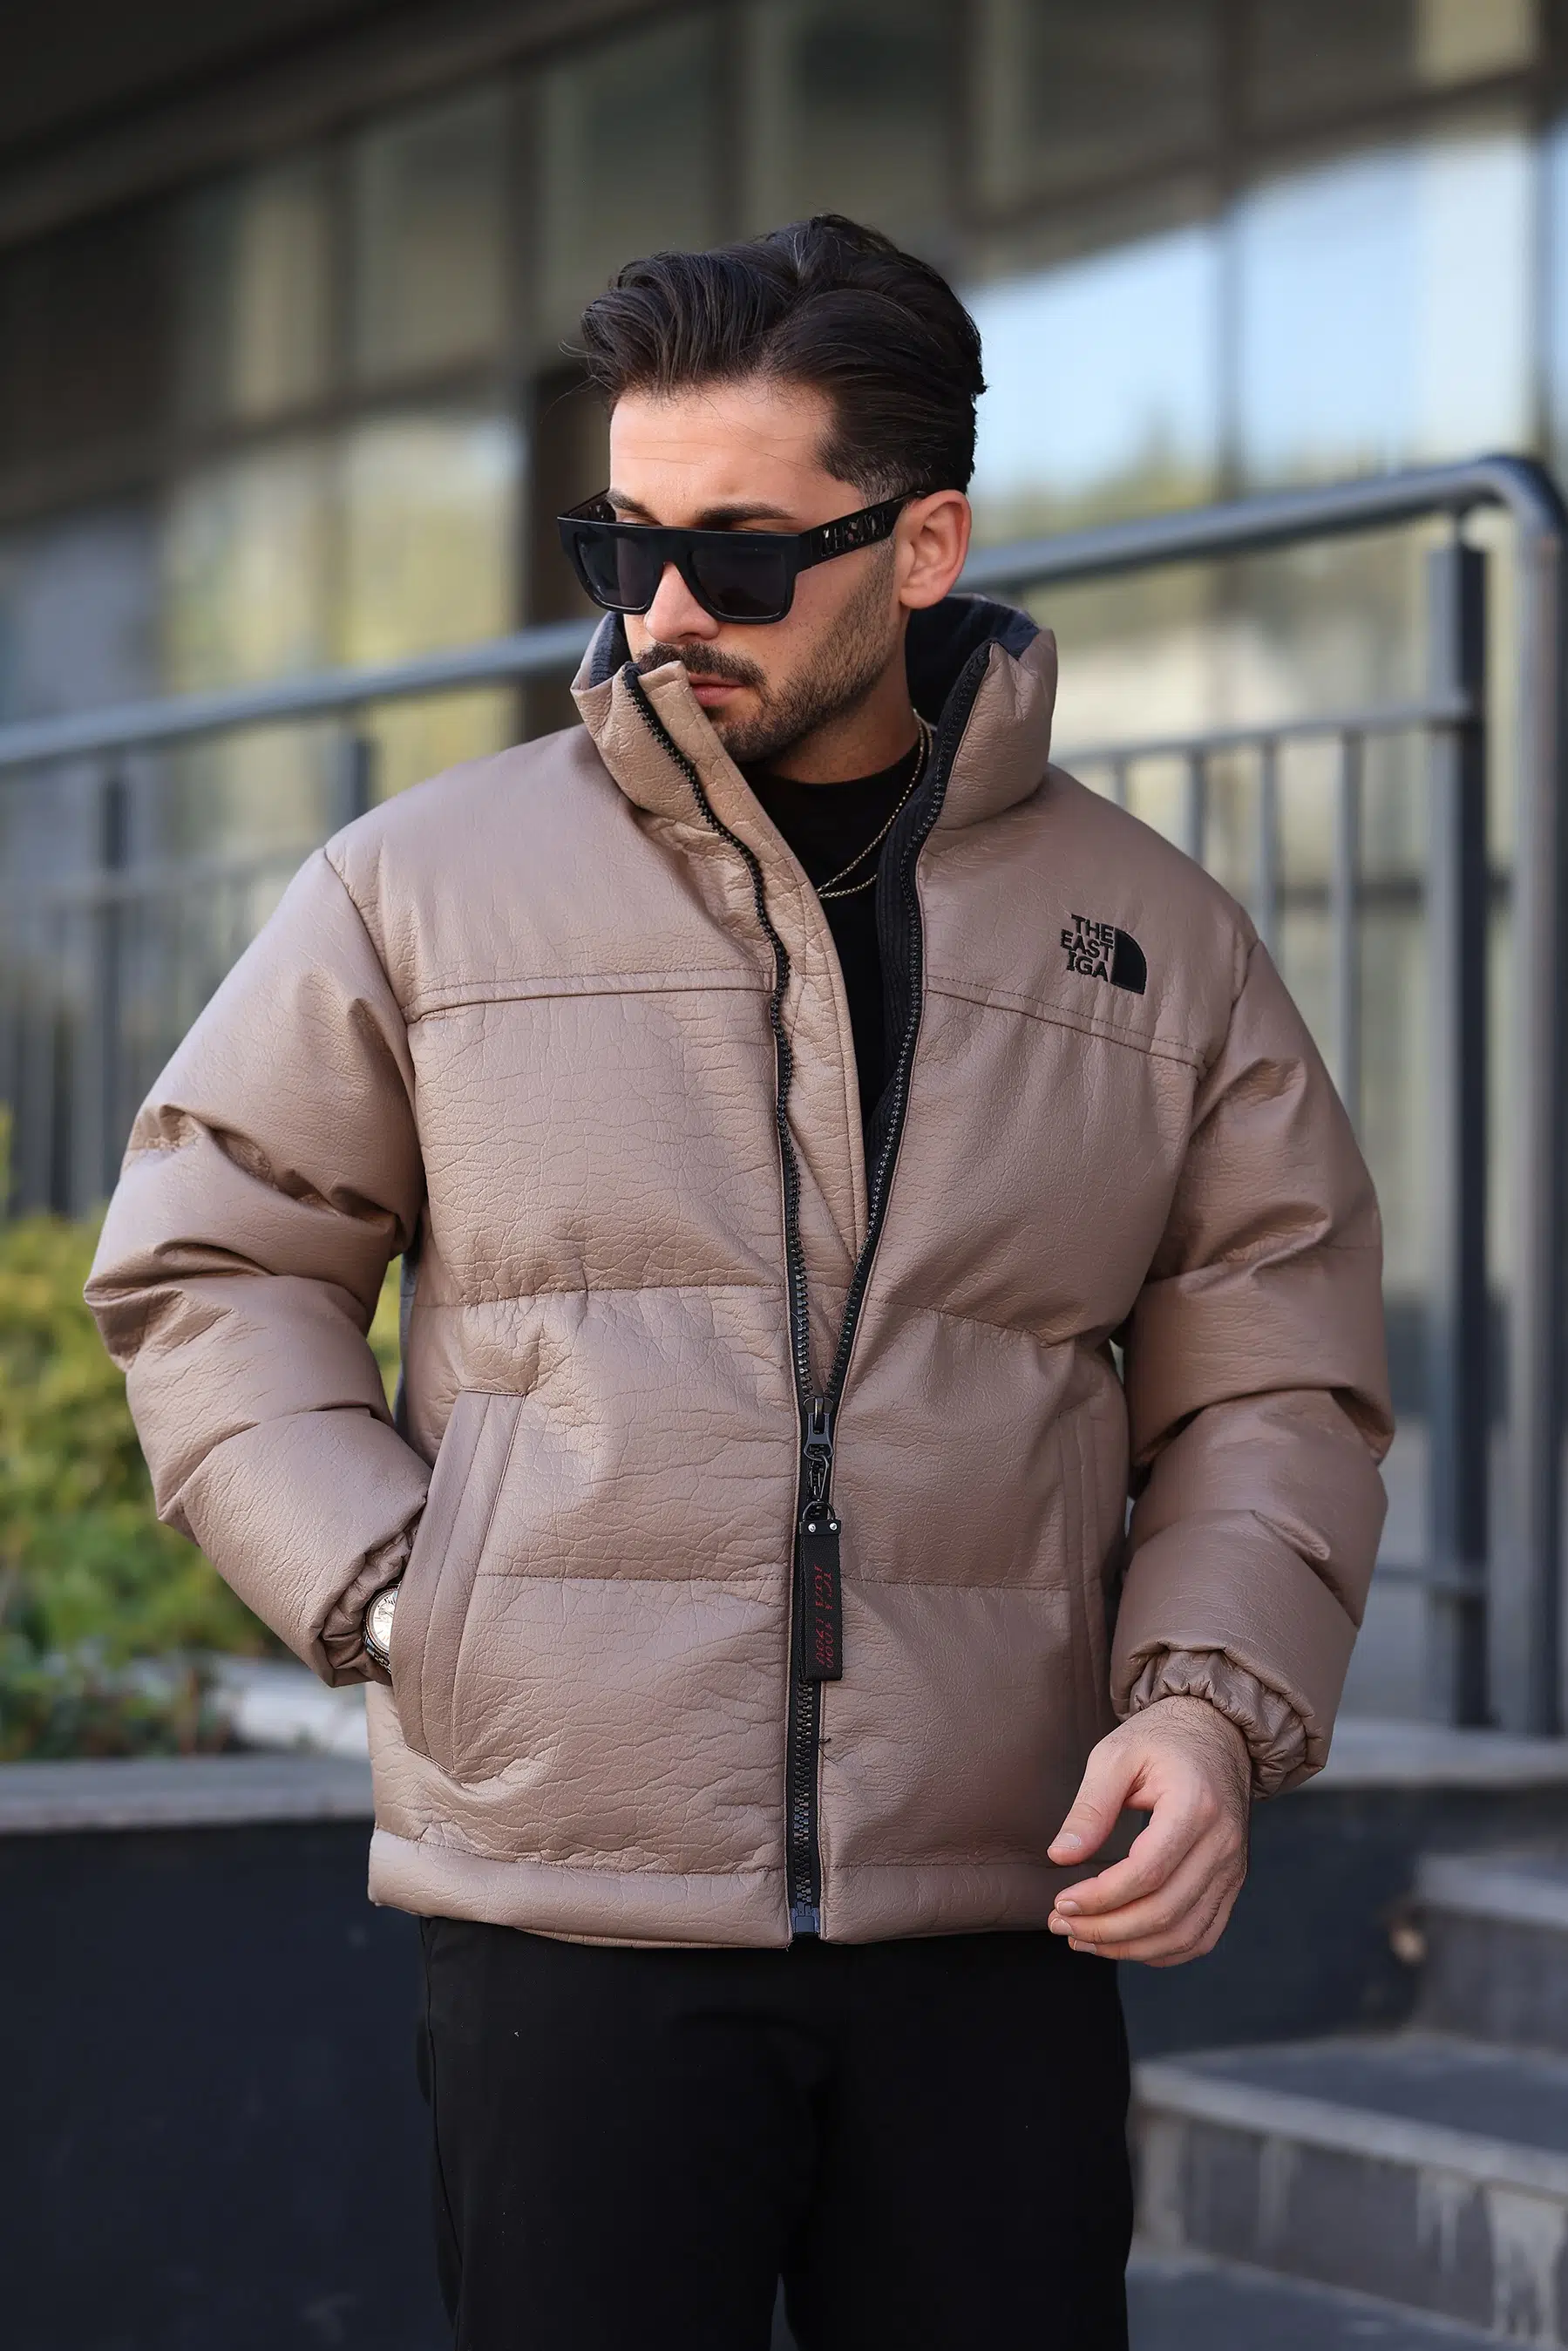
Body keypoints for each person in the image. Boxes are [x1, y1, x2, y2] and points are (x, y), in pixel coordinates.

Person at [86, 215, 1392, 2350]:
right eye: (622, 546)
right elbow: (211, 1258)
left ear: (921, 544)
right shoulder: (419, 888)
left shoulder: (1155, 939)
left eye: (739, 552)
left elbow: (1273, 1370)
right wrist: (409, 1600)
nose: (664, 607)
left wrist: (1203, 1701)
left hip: (999, 1908)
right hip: (565, 1911)